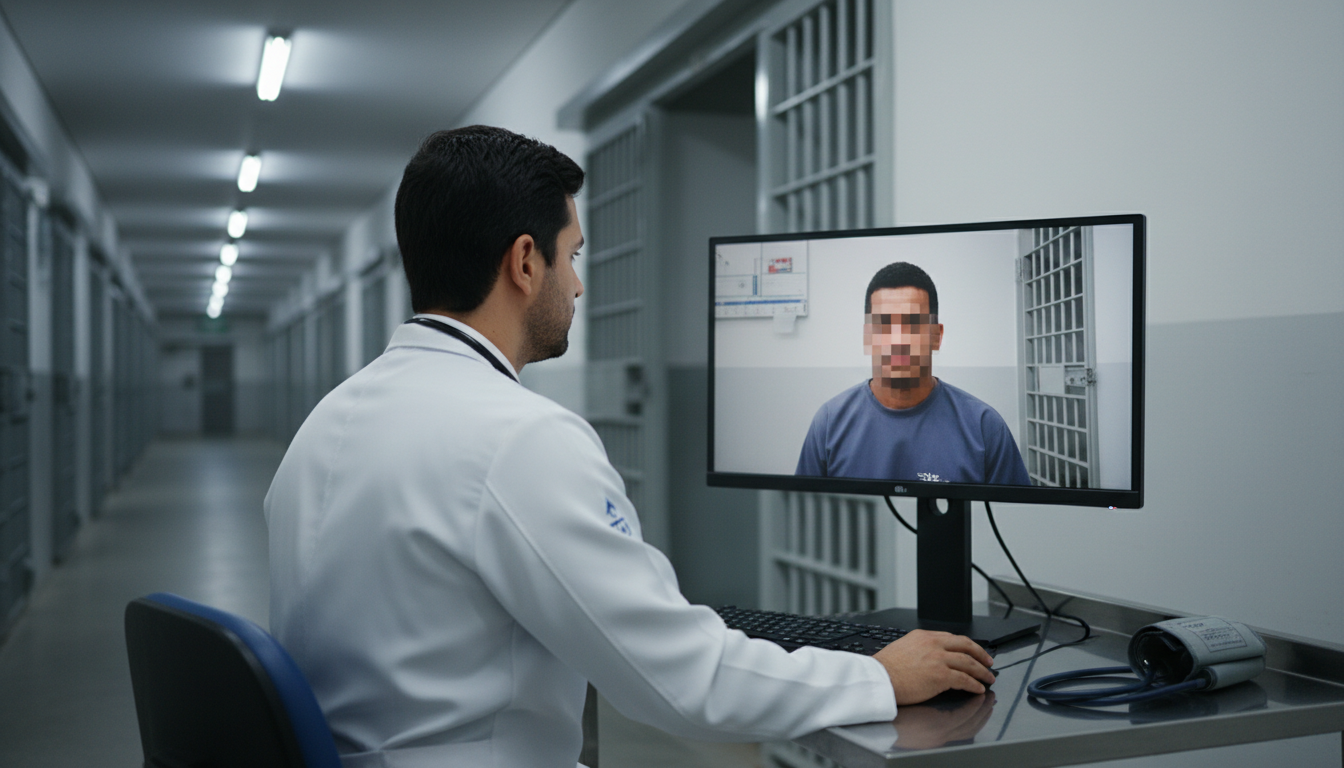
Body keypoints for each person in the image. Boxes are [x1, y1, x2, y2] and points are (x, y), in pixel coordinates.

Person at [266, 126, 995, 768]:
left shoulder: (326, 423)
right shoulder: (520, 438)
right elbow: (678, 681)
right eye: (571, 255)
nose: (578, 285)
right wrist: (881, 676)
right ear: (525, 262)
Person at [796, 262, 1031, 485]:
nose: (898, 341)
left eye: (912, 325)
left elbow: (1015, 521)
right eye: (884, 325)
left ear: (936, 337)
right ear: (868, 337)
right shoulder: (829, 423)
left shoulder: (985, 428)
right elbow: (804, 516)